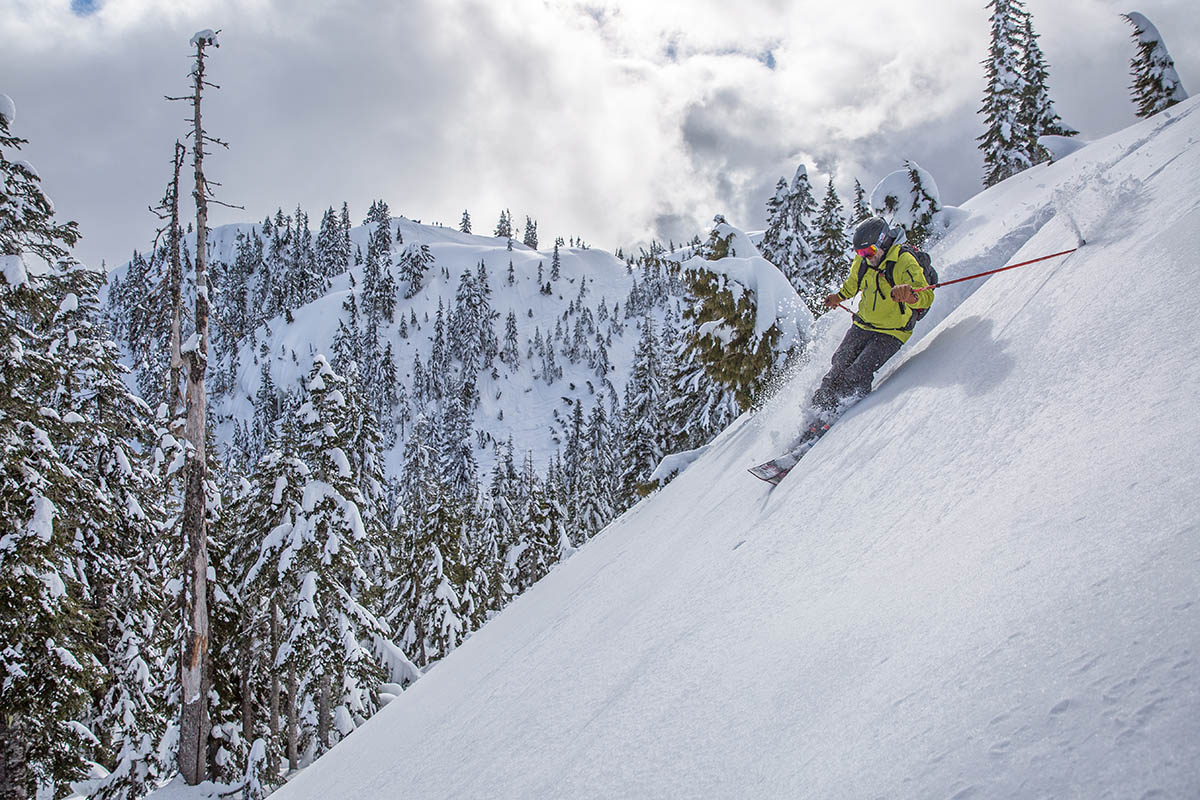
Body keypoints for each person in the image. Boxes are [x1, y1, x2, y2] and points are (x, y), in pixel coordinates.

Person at [798, 216, 933, 444]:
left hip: (892, 330)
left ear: (882, 242)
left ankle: (841, 414)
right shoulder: (863, 262)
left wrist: (911, 295)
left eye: (869, 251)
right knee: (838, 365)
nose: (865, 257)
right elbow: (853, 283)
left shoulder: (904, 262)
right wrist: (838, 297)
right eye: (860, 253)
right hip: (863, 323)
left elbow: (926, 296)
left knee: (857, 371)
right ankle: (815, 419)